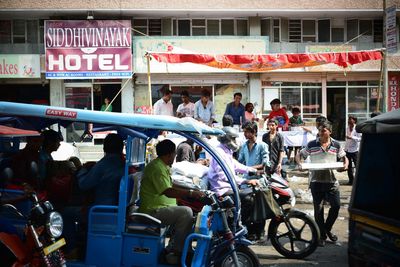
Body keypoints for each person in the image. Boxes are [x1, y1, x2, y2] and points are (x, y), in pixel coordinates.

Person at [138, 139, 205, 265]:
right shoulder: (157, 168)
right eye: (174, 153)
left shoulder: (162, 166)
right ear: (169, 154)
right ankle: (178, 251)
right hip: (152, 212)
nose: (175, 156)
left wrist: (191, 189)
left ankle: (176, 247)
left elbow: (171, 185)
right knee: (185, 212)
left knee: (188, 212)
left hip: (161, 208)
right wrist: (190, 193)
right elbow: (168, 191)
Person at [296, 121, 348, 247]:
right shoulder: (312, 144)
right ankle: (322, 235)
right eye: (319, 130)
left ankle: (326, 228)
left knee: (335, 206)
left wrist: (345, 165)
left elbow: (344, 158)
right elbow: (299, 155)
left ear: (330, 132)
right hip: (316, 181)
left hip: (332, 181)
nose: (320, 133)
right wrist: (299, 164)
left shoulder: (336, 144)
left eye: (323, 130)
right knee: (318, 210)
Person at [237, 121, 269, 240]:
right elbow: (240, 162)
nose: (245, 134)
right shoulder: (244, 146)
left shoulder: (262, 145)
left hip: (259, 180)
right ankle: (249, 231)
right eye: (244, 131)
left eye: (246, 131)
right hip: (247, 182)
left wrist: (249, 169)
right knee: (246, 206)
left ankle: (260, 232)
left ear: (254, 132)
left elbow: (265, 164)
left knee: (259, 207)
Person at [208, 127, 259, 197]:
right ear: (227, 139)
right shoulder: (220, 152)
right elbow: (225, 176)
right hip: (222, 189)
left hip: (230, 187)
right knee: (250, 198)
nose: (235, 141)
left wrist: (252, 170)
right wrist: (246, 181)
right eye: (233, 139)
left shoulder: (227, 150)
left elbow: (235, 165)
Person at [77, 133, 124, 205]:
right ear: (121, 147)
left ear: (104, 147)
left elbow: (83, 185)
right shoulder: (123, 164)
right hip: (118, 206)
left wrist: (83, 169)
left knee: (66, 211)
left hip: (101, 208)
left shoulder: (102, 165)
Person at [344, 116, 362, 185]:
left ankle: (359, 180)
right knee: (349, 166)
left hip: (355, 150)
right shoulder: (347, 128)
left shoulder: (357, 128)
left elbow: (360, 138)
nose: (349, 121)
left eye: (350, 120)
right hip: (347, 149)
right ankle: (351, 181)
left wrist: (352, 137)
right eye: (348, 120)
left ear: (354, 121)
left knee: (357, 165)